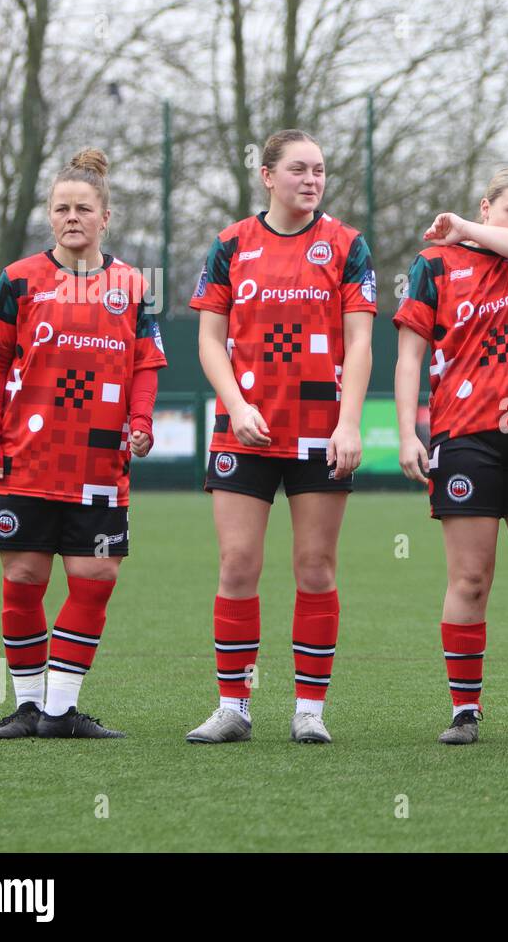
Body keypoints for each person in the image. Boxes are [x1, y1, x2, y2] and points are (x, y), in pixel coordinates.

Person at [185, 129, 376, 745]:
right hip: (244, 431)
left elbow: (360, 342)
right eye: (298, 169)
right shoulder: (230, 244)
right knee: (238, 564)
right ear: (267, 176)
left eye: (319, 169)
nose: (312, 179)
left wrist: (349, 424)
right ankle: (234, 707)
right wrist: (236, 406)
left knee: (315, 567)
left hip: (322, 431)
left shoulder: (347, 244)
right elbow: (210, 340)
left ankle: (309, 710)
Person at [0, 147, 165, 739]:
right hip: (26, 460)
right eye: (61, 208)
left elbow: (146, 364)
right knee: (25, 577)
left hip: (100, 465)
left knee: (96, 576)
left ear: (105, 217)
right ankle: (29, 705)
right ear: (49, 216)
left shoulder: (133, 285)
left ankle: (60, 712)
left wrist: (142, 421)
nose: (72, 217)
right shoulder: (19, 279)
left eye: (84, 208)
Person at [394, 167, 508, 746]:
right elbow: (408, 357)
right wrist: (407, 433)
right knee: (470, 579)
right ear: (487, 205)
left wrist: (467, 226)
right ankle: (465, 711)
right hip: (463, 434)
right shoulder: (434, 265)